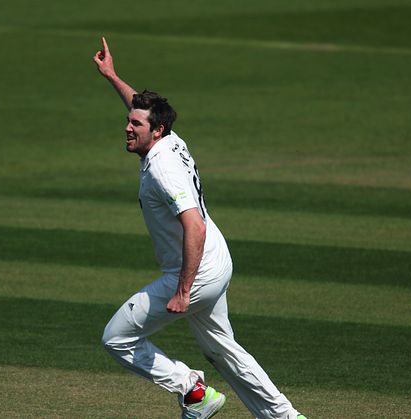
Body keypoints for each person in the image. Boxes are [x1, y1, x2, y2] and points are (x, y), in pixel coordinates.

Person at [94, 37, 306, 419]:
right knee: (223, 348)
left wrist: (183, 290)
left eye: (135, 124)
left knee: (117, 338)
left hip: (195, 270)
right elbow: (140, 106)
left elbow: (194, 226)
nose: (127, 127)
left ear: (155, 131)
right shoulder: (169, 137)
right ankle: (285, 417)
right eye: (129, 120)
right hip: (217, 260)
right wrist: (112, 76)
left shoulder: (162, 168)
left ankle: (193, 391)